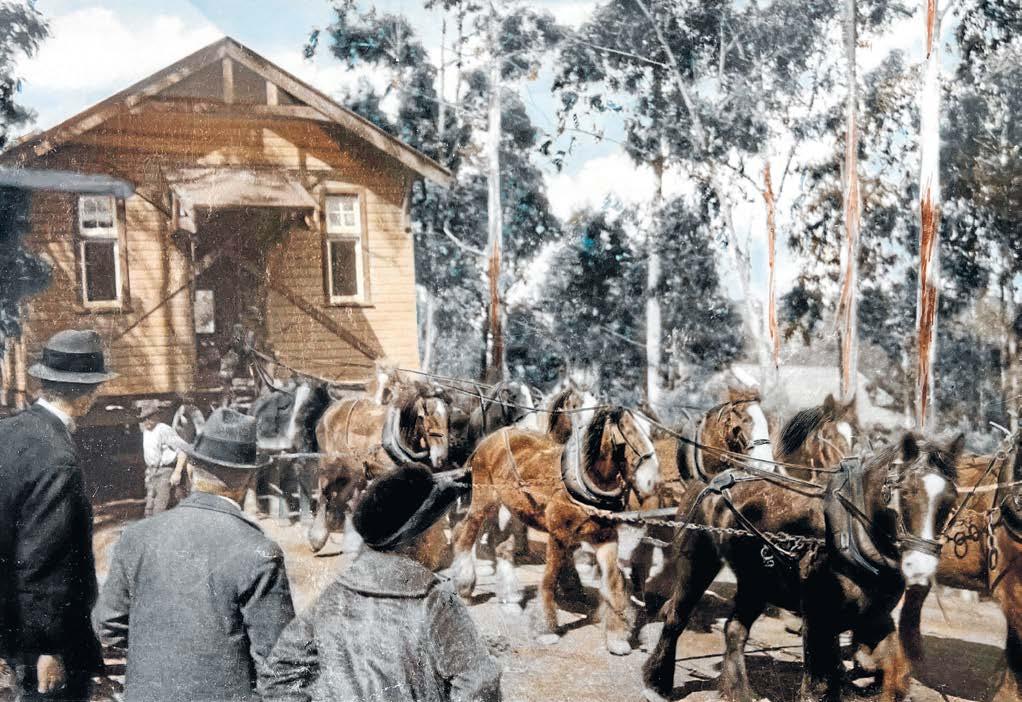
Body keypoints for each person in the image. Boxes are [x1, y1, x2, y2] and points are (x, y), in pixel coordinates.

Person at [93, 408, 295, 702]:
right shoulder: (259, 551)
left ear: (190, 469)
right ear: (249, 478)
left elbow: (107, 625)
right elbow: (280, 662)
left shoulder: (137, 536)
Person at [259, 464, 502, 702]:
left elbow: (278, 674)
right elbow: (480, 688)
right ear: (423, 538)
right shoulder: (435, 602)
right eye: (441, 528)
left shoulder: (334, 595)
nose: (446, 540)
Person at [0, 329, 117, 701]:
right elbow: (44, 562)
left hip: (9, 623)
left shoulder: (7, 431)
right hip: (48, 641)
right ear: (88, 393)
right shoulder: (58, 458)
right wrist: (48, 648)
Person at [138, 400, 186, 516]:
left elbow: (183, 451)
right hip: (152, 472)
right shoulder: (146, 431)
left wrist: (177, 473)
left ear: (156, 416)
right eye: (143, 419)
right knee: (149, 509)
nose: (146, 421)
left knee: (160, 509)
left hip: (166, 471)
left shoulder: (164, 429)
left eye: (149, 417)